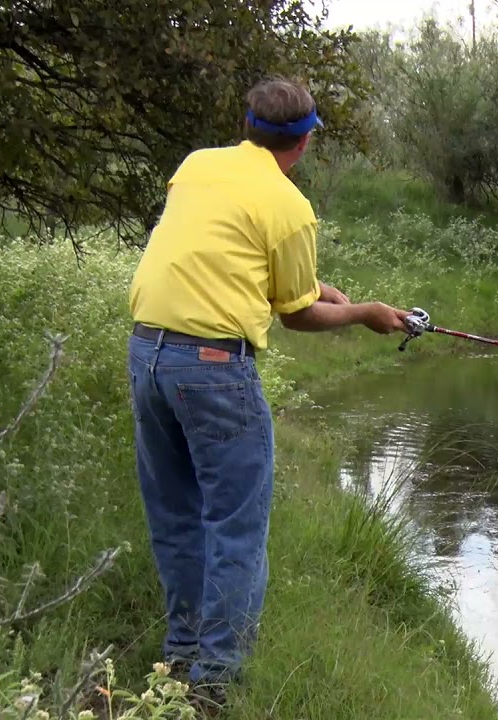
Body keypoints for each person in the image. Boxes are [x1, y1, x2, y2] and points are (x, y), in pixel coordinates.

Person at [126, 77, 411, 702]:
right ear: (304, 142)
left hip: (147, 354)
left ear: (247, 125)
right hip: (211, 367)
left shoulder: (196, 166)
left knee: (176, 516)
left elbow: (229, 257)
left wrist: (322, 291)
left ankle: (178, 660)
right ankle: (216, 685)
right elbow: (297, 315)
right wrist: (365, 312)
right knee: (234, 526)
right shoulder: (290, 207)